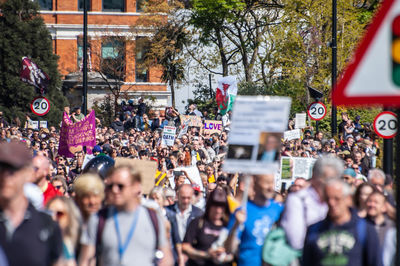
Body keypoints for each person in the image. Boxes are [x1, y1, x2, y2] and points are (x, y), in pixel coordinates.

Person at [79, 165, 173, 266]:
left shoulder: (153, 217)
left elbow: (166, 257)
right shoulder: (98, 219)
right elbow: (86, 260)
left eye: (120, 186)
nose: (115, 190)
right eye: (110, 186)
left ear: (136, 187)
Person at [0, 142, 63, 265]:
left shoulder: (47, 226)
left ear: (28, 173)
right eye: (1, 169)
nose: (5, 176)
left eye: (12, 170)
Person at [303, 179, 382, 266]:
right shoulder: (314, 230)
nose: (331, 203)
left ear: (348, 199)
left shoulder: (365, 229)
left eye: (337, 199)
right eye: (328, 198)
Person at [281, 156, 344, 250]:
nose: (330, 184)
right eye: (326, 179)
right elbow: (296, 241)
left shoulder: (341, 200)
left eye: (334, 180)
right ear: (314, 176)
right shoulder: (297, 199)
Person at [225, 174, 283, 266]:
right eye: (267, 183)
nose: (271, 187)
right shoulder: (242, 211)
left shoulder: (279, 210)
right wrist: (236, 225)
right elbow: (229, 249)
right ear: (255, 183)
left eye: (272, 183)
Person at [182, 189, 233, 266]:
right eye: (215, 206)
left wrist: (226, 257)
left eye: (221, 207)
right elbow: (185, 247)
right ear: (209, 206)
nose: (218, 210)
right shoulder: (198, 222)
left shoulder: (229, 225)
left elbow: (236, 251)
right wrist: (206, 255)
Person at [166, 184, 204, 266]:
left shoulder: (198, 214)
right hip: (171, 256)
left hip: (191, 258)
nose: (186, 201)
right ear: (177, 195)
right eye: (183, 197)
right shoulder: (167, 211)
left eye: (188, 198)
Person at [46, 196, 82, 266]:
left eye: (59, 214)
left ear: (70, 216)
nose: (53, 217)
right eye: (50, 213)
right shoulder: (42, 246)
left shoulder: (77, 243)